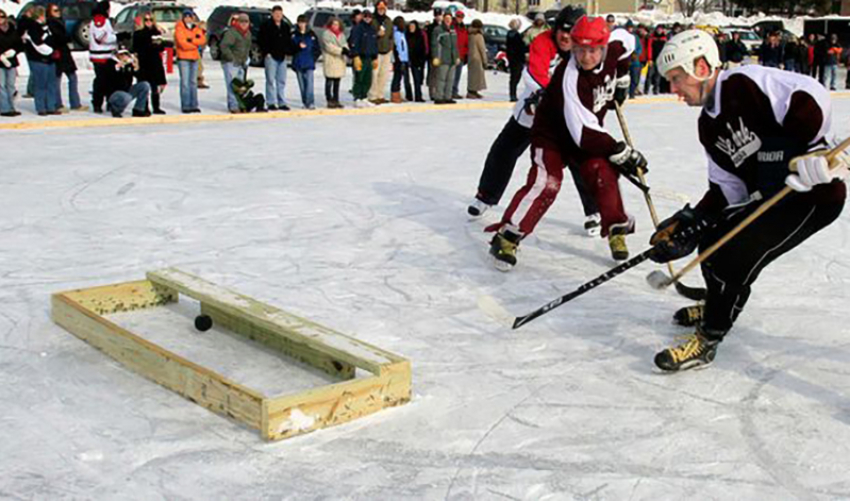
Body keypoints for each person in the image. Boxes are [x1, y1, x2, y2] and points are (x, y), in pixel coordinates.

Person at [650, 29, 847, 372]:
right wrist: (691, 220)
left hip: (813, 197)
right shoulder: (707, 127)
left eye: (677, 78)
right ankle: (717, 302)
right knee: (711, 242)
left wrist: (813, 148)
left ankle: (709, 335)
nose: (673, 90)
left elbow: (810, 93)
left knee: (732, 258)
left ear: (700, 66)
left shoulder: (744, 83)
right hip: (772, 197)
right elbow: (729, 190)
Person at [487, 15, 641, 269]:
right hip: (552, 137)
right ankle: (508, 236)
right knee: (546, 182)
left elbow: (627, 41)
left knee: (603, 174)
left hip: (585, 133)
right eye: (579, 50)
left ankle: (616, 230)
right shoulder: (570, 77)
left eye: (592, 50)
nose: (586, 57)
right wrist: (619, 150)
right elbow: (583, 132)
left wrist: (622, 78)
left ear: (603, 46)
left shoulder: (614, 47)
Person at [467, 6, 598, 237]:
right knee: (504, 150)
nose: (566, 36)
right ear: (555, 29)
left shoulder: (583, 51)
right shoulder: (543, 41)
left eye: (572, 32)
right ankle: (486, 196)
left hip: (567, 116)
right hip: (533, 111)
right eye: (562, 30)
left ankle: (593, 211)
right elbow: (535, 73)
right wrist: (546, 96)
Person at [24, 6, 59, 116]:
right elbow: (38, 44)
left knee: (51, 84)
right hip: (38, 59)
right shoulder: (32, 27)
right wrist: (51, 51)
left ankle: (51, 106)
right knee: (40, 85)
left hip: (49, 60)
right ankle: (41, 107)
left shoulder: (46, 26)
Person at [47, 4, 81, 112]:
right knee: (57, 79)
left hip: (65, 53)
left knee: (72, 77)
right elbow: (58, 38)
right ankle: (58, 104)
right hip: (58, 53)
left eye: (58, 10)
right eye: (55, 11)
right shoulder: (51, 23)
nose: (58, 12)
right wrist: (67, 38)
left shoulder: (61, 22)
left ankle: (75, 103)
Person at [258, 5, 292, 111]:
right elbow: (261, 40)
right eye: (276, 14)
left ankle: (282, 102)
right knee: (270, 80)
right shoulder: (266, 25)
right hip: (271, 57)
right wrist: (266, 52)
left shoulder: (285, 26)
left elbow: (288, 41)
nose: (278, 16)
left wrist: (288, 52)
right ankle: (271, 102)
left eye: (280, 14)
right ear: (272, 14)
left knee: (281, 81)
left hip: (282, 57)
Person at [133, 12, 167, 114]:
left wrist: (158, 43)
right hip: (143, 62)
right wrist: (150, 45)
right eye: (146, 20)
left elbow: (161, 47)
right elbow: (135, 48)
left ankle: (156, 107)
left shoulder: (156, 32)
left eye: (151, 20)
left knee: (155, 86)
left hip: (155, 62)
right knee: (145, 86)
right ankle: (144, 107)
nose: (149, 22)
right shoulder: (138, 33)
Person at [220, 13, 252, 113]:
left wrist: (246, 59)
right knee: (232, 84)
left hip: (241, 63)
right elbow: (224, 46)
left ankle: (240, 104)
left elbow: (247, 48)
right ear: (238, 22)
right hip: (230, 63)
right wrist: (231, 58)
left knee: (240, 86)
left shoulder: (248, 33)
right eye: (242, 21)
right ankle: (233, 105)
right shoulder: (232, 32)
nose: (244, 24)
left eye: (246, 22)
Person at [174, 9, 205, 113]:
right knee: (185, 83)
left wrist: (191, 40)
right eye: (186, 17)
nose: (188, 19)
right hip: (183, 58)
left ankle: (194, 104)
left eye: (190, 17)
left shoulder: (196, 28)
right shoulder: (179, 28)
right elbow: (182, 43)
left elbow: (202, 40)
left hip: (194, 58)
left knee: (193, 82)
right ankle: (186, 105)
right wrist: (194, 44)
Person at [89, 0, 117, 113]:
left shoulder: (102, 20)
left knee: (108, 81)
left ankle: (106, 102)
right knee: (102, 82)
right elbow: (101, 38)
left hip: (105, 56)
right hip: (102, 57)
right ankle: (98, 103)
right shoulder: (100, 20)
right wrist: (117, 37)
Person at [105, 49, 150, 117]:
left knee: (145, 85)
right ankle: (116, 109)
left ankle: (138, 109)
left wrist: (136, 68)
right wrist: (118, 68)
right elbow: (109, 78)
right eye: (121, 55)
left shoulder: (128, 65)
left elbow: (140, 77)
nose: (124, 56)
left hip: (127, 91)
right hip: (114, 93)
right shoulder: (110, 63)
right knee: (126, 97)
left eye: (125, 54)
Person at [349, 10, 377, 108]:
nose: (367, 19)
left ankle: (364, 96)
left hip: (369, 57)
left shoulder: (372, 29)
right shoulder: (358, 28)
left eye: (369, 17)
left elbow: (374, 44)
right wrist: (355, 56)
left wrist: (375, 57)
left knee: (368, 79)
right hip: (360, 57)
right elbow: (354, 43)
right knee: (359, 78)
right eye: (365, 17)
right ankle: (357, 97)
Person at [367, 0, 393, 105]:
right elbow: (368, 35)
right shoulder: (372, 20)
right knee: (374, 74)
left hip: (386, 51)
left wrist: (391, 47)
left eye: (383, 8)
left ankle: (380, 95)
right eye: (379, 8)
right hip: (375, 51)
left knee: (384, 74)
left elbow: (391, 35)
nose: (381, 10)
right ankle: (372, 95)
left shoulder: (388, 21)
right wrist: (376, 34)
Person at [292, 14, 320, 110]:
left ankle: (310, 102)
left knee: (309, 84)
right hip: (298, 62)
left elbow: (317, 49)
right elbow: (291, 49)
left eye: (303, 22)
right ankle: (305, 102)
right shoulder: (294, 34)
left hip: (309, 63)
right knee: (302, 85)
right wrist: (298, 47)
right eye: (300, 22)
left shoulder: (311, 34)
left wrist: (313, 58)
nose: (302, 24)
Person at [430, 12, 458, 105]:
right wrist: (436, 57)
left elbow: (455, 45)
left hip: (452, 58)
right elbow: (435, 45)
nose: (448, 20)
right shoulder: (438, 30)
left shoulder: (453, 30)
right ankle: (439, 97)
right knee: (441, 78)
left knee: (450, 79)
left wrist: (457, 56)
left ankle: (448, 96)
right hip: (443, 58)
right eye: (446, 18)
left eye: (449, 18)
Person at [321, 16, 348, 109]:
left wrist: (346, 49)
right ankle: (329, 99)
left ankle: (336, 99)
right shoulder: (326, 34)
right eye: (333, 24)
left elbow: (345, 44)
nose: (335, 26)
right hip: (331, 60)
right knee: (329, 81)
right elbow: (329, 46)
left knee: (337, 82)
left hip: (339, 61)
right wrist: (341, 50)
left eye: (337, 24)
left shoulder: (342, 35)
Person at [0, 8, 22, 117]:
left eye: (2, 17)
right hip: (0, 61)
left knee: (10, 85)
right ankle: (4, 108)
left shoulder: (12, 29)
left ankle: (12, 106)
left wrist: (14, 51)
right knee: (1, 86)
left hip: (11, 60)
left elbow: (19, 43)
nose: (0, 19)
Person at [389, 16, 410, 103]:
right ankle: (395, 95)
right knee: (397, 77)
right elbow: (398, 47)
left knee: (399, 77)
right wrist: (400, 58)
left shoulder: (401, 33)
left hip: (403, 58)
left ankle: (397, 93)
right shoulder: (397, 34)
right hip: (399, 58)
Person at [406, 20, 427, 103]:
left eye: (413, 26)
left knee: (417, 79)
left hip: (417, 60)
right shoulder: (406, 35)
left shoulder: (419, 36)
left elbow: (423, 48)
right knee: (406, 80)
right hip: (407, 60)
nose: (411, 28)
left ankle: (418, 96)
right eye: (410, 26)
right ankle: (409, 95)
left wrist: (422, 60)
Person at [505, 18, 525, 102]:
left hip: (513, 58)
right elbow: (520, 47)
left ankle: (513, 93)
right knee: (515, 77)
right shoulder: (516, 35)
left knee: (514, 76)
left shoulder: (510, 34)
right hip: (517, 58)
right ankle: (513, 94)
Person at [466, 19, 486, 99]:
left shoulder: (469, 34)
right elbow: (482, 49)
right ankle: (472, 91)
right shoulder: (478, 36)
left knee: (472, 75)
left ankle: (472, 91)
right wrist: (485, 60)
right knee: (476, 76)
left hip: (470, 56)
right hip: (477, 58)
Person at [426, 8, 442, 101]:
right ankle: (432, 92)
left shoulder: (444, 27)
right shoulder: (431, 27)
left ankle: (439, 92)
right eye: (436, 15)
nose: (438, 17)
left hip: (442, 54)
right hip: (432, 54)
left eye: (439, 15)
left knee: (440, 74)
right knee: (433, 74)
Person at [451, 10, 468, 100]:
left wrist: (465, 54)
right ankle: (449, 91)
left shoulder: (463, 28)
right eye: (458, 16)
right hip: (453, 54)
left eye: (461, 17)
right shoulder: (452, 27)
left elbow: (465, 42)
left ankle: (454, 91)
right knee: (451, 75)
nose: (460, 19)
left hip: (461, 55)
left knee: (457, 75)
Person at [645, 25, 667, 95]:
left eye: (660, 29)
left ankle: (656, 89)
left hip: (660, 60)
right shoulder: (652, 37)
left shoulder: (664, 38)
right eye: (658, 29)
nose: (659, 30)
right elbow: (649, 48)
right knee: (649, 75)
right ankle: (646, 89)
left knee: (658, 76)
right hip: (652, 59)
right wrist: (649, 58)